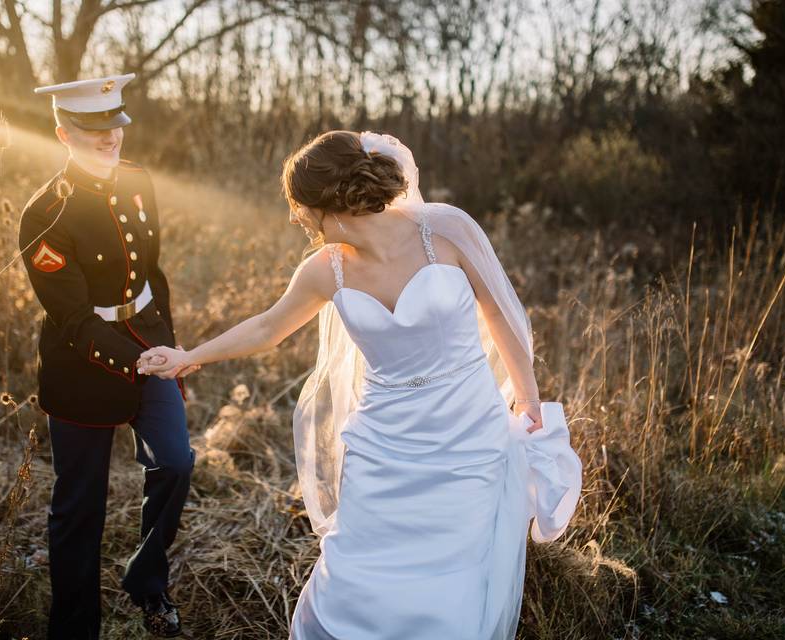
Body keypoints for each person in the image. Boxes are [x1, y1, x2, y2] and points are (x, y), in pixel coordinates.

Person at [137, 131, 583, 639]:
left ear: (332, 203)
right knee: (358, 565)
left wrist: (526, 395)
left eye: (301, 206)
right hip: (384, 442)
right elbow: (267, 328)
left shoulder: (446, 229)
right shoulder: (327, 270)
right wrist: (189, 356)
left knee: (453, 575)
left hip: (468, 435)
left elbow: (500, 314)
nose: (295, 218)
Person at [19, 72, 196, 638]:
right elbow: (70, 318)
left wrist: (165, 345)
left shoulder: (140, 181)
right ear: (62, 132)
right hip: (81, 366)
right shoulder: (44, 213)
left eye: (114, 124)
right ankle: (74, 629)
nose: (108, 137)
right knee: (79, 509)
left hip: (150, 344)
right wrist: (136, 362)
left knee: (175, 462)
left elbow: (153, 274)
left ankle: (147, 582)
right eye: (91, 128)